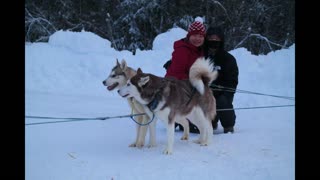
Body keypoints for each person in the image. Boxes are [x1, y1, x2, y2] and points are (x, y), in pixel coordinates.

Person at [164, 18, 206, 133]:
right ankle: (176, 118)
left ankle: (182, 119)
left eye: (201, 36)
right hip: (175, 84)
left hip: (188, 84)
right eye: (195, 35)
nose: (198, 38)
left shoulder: (199, 50)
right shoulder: (182, 50)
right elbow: (178, 72)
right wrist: (194, 83)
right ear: (189, 35)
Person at [204, 26, 239, 133]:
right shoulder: (201, 55)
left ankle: (228, 126)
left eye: (217, 39)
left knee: (222, 101)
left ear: (221, 40)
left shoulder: (228, 59)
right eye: (211, 38)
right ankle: (211, 121)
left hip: (221, 93)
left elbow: (232, 81)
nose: (213, 41)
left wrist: (224, 92)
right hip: (202, 93)